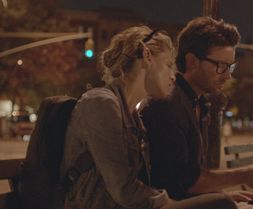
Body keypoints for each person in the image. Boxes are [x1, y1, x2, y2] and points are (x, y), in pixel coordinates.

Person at [60, 26, 236, 209]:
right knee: (221, 205)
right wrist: (170, 204)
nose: (173, 76)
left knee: (220, 202)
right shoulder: (101, 104)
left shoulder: (133, 115)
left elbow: (146, 182)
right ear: (147, 56)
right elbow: (124, 189)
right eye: (168, 65)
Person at [141, 17, 253, 202]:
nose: (227, 76)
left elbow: (194, 174)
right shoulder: (168, 105)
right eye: (220, 66)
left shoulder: (200, 103)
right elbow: (181, 181)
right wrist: (244, 176)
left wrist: (220, 194)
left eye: (230, 67)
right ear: (192, 61)